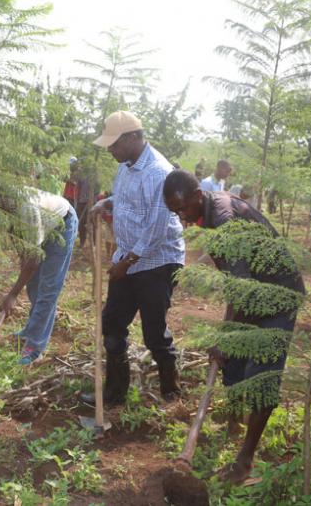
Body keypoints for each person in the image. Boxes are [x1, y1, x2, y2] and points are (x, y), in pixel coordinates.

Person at [163, 169, 306, 484]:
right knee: (232, 364)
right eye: (175, 212)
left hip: (279, 295)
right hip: (253, 292)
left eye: (183, 208)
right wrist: (227, 336)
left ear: (198, 195)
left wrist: (226, 336)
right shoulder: (209, 218)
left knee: (260, 379)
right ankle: (234, 421)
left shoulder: (225, 220)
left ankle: (245, 460)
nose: (182, 217)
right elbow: (236, 285)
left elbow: (244, 288)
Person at [80, 110, 185, 405]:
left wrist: (126, 264)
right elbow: (129, 200)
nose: (111, 149)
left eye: (115, 144)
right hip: (129, 258)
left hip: (157, 262)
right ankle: (114, 394)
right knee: (111, 323)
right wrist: (107, 202)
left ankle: (171, 392)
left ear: (134, 137)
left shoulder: (158, 172)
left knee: (154, 332)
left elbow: (157, 225)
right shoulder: (126, 165)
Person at [0, 176, 77, 365]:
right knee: (33, 284)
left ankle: (35, 346)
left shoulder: (27, 208)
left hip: (62, 224)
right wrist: (24, 266)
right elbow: (23, 247)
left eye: (4, 203)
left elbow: (34, 258)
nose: (1, 206)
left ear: (11, 199)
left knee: (48, 288)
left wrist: (12, 294)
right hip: (43, 226)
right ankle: (32, 329)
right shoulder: (5, 207)